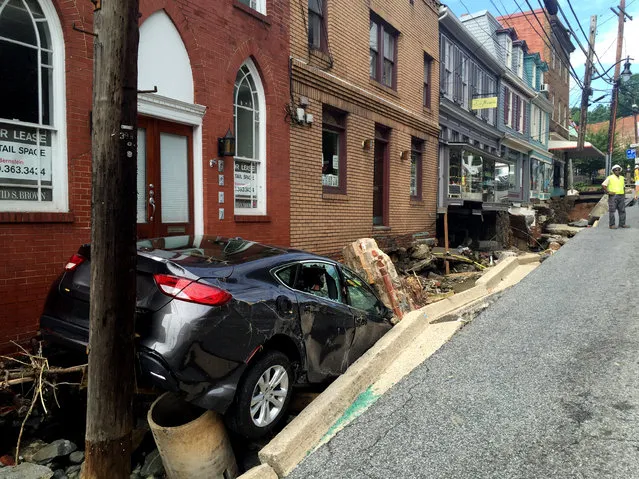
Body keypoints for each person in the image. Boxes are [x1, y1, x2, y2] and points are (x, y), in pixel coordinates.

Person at [602, 164, 629, 229]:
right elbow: (603, 185)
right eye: (616, 170)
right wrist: (608, 192)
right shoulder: (610, 177)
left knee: (622, 210)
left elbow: (623, 187)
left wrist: (624, 195)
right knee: (612, 210)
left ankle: (622, 224)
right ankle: (612, 225)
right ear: (613, 171)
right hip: (613, 196)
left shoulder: (622, 178)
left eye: (618, 170)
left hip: (621, 195)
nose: (617, 171)